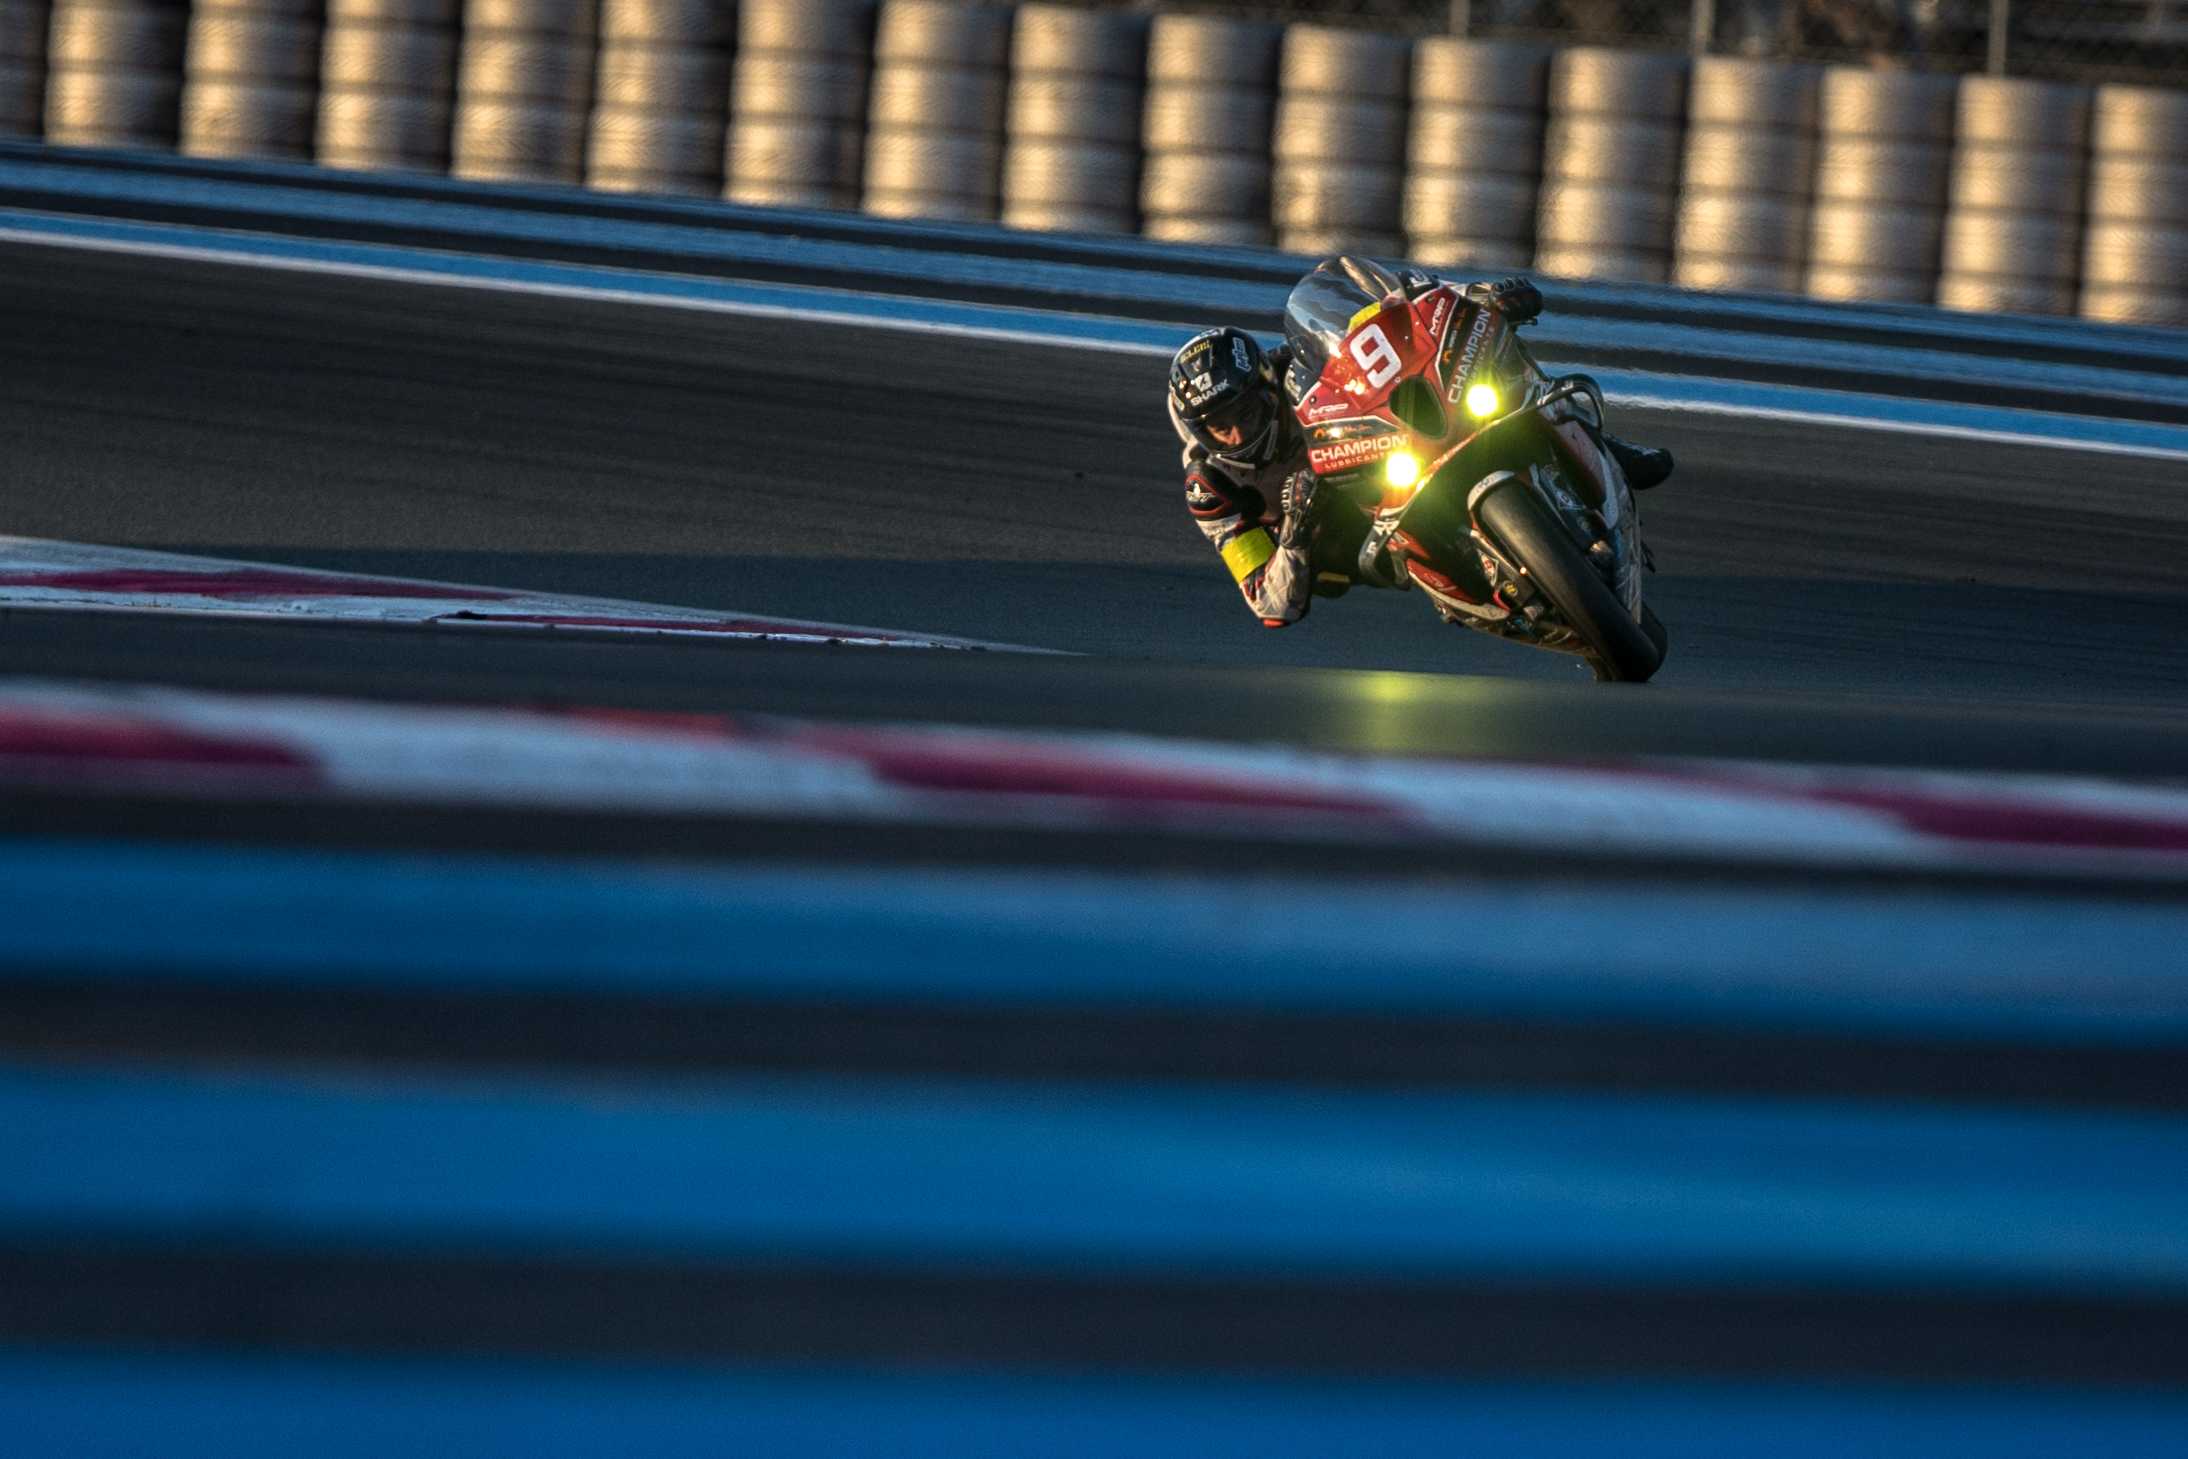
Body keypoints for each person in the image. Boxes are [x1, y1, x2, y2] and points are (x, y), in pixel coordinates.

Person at [1169, 260, 1673, 628]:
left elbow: (1393, 310)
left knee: (1487, 368)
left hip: (1390, 448)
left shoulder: (1294, 368)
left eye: (1246, 413)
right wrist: (1295, 538)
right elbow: (1268, 602)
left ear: (1264, 385)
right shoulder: (1210, 488)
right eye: (1220, 428)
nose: (1238, 434)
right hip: (1347, 539)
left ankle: (1598, 441)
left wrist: (1478, 296)